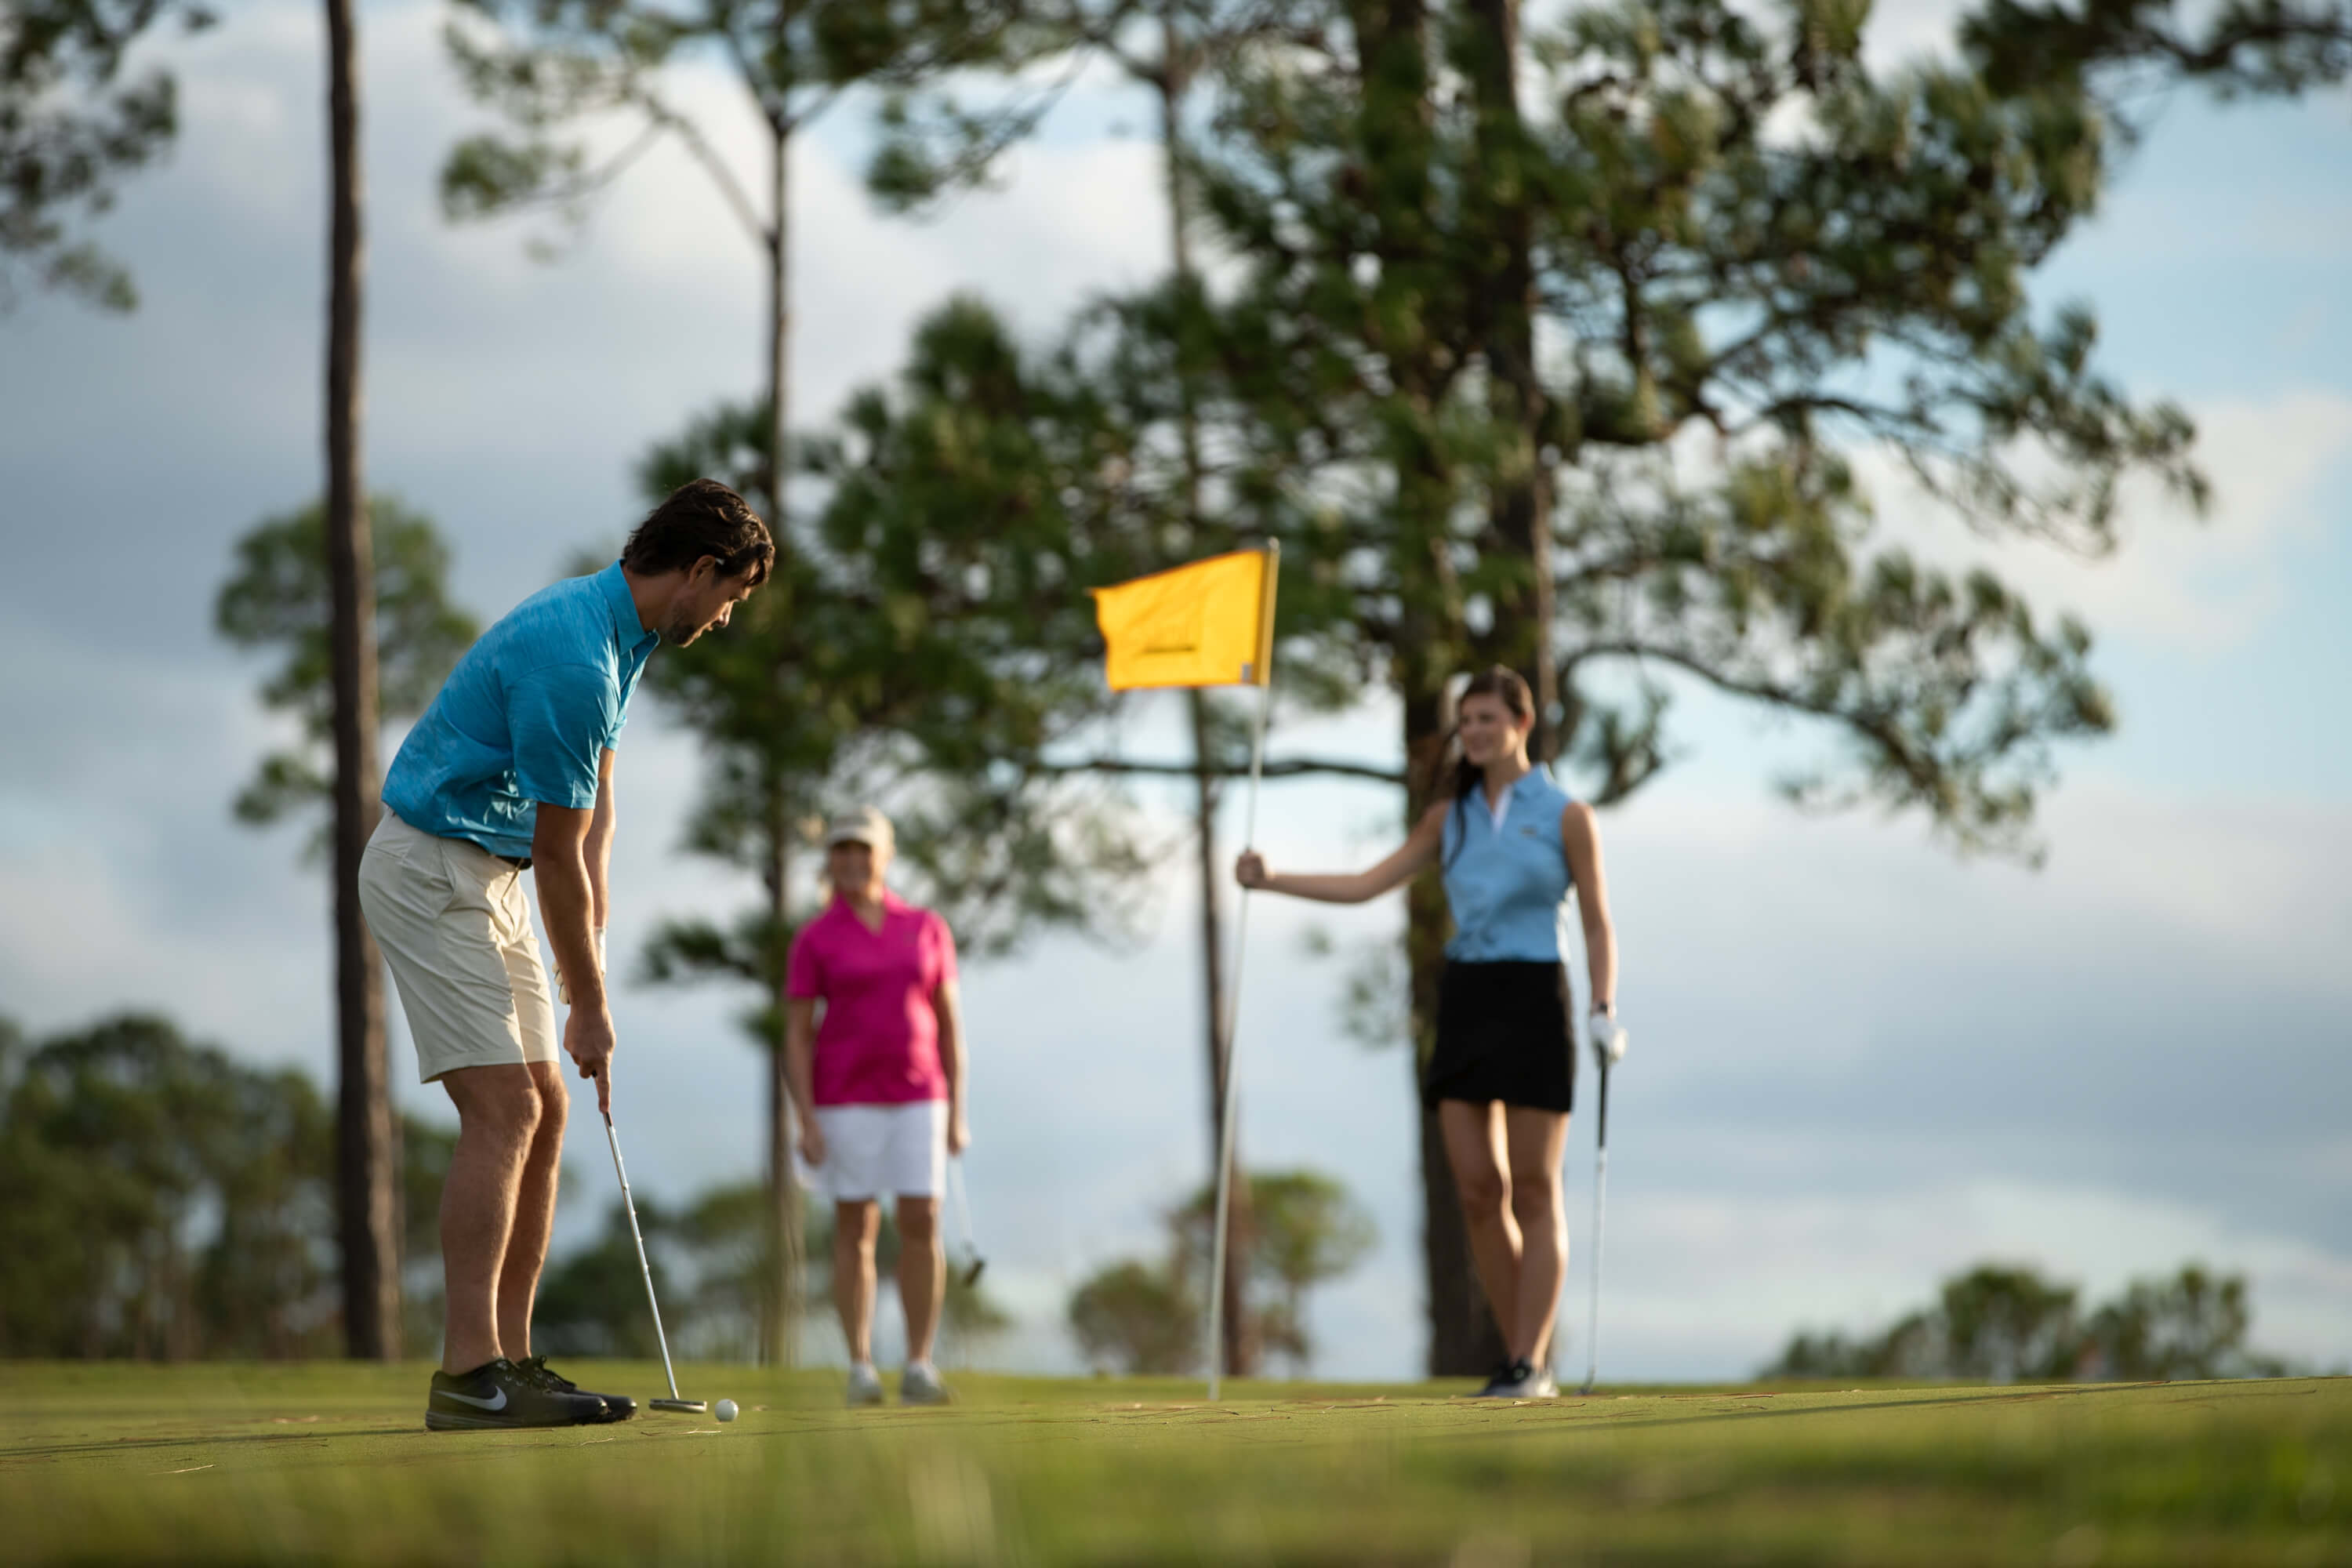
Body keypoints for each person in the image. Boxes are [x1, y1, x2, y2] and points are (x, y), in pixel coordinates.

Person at [358, 478, 771, 1431]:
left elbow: (596, 819)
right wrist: (587, 1000)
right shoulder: (576, 655)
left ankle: (510, 1357)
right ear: (699, 570)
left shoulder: (624, 639)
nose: (725, 616)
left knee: (544, 1106)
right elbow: (557, 850)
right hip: (431, 867)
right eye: (732, 596)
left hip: (492, 877)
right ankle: (467, 1377)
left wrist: (593, 961)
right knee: (504, 1105)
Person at [1236, 666, 1627, 1399]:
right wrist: (1273, 877)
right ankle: (1518, 1356)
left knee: (1538, 1188)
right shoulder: (1449, 818)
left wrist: (1604, 1008)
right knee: (1480, 1189)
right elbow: (1364, 885)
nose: (1474, 733)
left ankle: (1528, 1361)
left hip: (1537, 993)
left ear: (1522, 722)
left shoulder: (1567, 813)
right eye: (1465, 722)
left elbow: (1601, 923)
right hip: (1468, 997)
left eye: (1487, 719)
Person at [786, 806, 971, 1406]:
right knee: (855, 1227)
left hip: (920, 1095)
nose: (852, 859)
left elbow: (948, 1025)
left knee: (921, 1222)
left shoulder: (925, 926)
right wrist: (806, 1117)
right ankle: (861, 1365)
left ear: (885, 856)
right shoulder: (815, 937)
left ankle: (919, 1363)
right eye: (841, 849)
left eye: (863, 849)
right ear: (829, 859)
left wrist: (959, 1110)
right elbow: (795, 1034)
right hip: (844, 1099)